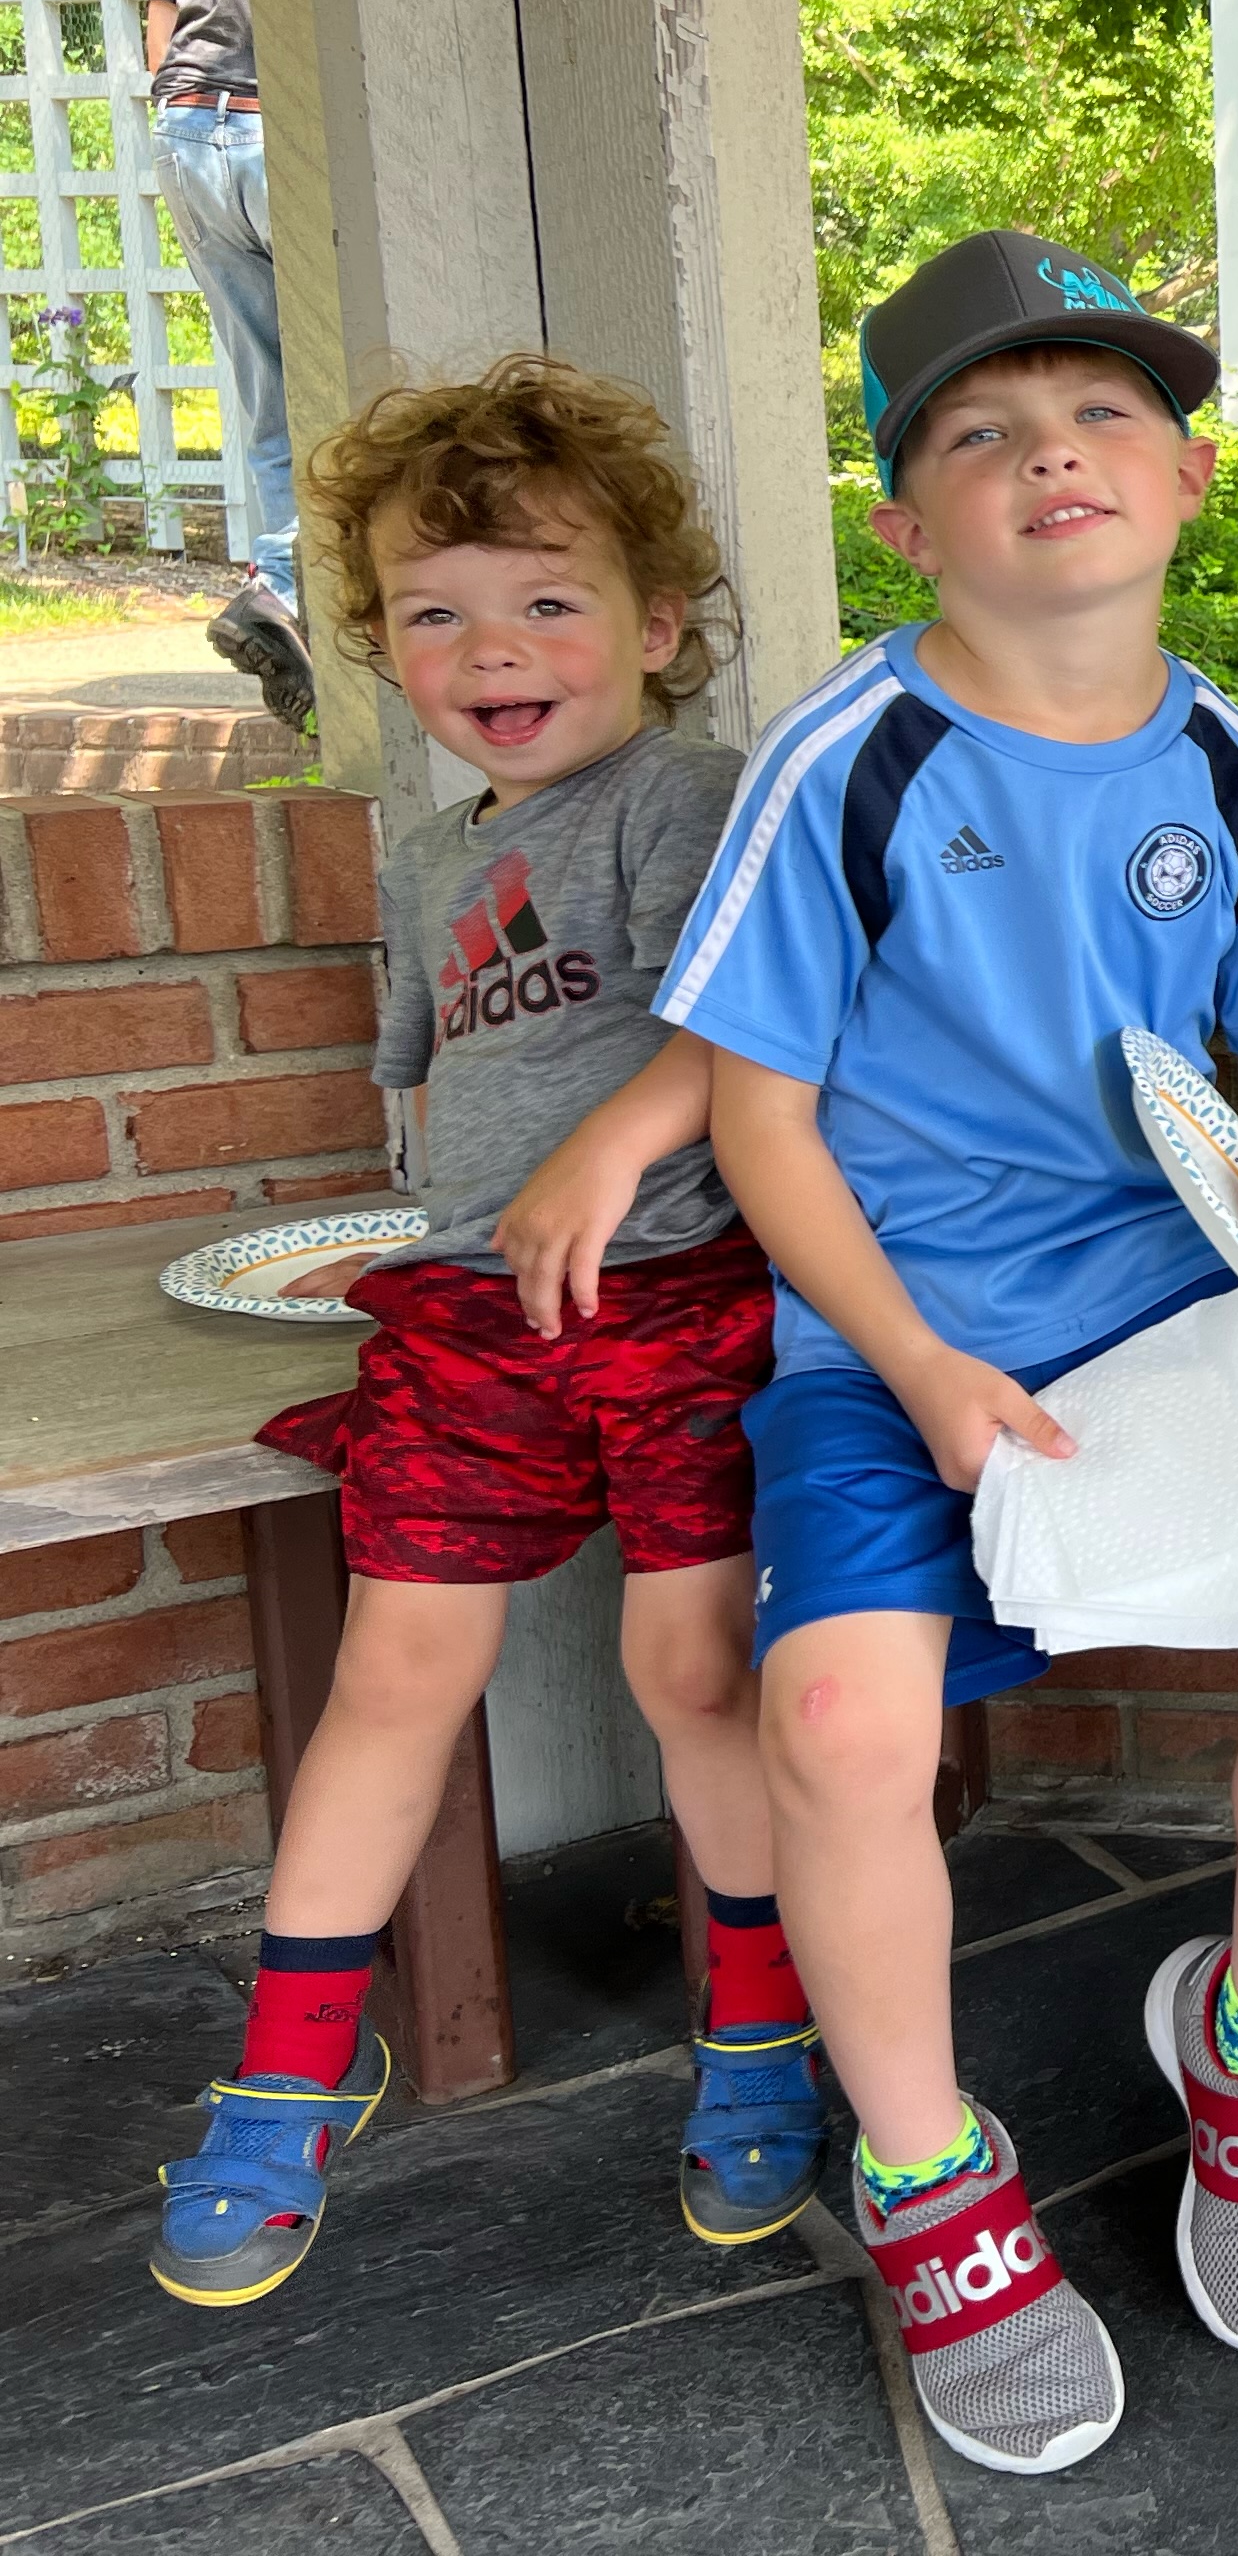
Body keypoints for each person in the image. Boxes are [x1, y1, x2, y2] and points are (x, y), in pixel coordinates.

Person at [659, 232, 1238, 2476]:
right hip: (894, 1336)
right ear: (911, 525)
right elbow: (758, 1114)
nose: (1049, 455)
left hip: (1170, 1311)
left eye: (1100, 414)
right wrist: (907, 1363)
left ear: (1189, 477)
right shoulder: (848, 759)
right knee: (836, 1713)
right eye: (980, 432)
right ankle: (924, 2169)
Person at [152, 358, 810, 2303]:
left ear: (657, 625)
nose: (490, 647)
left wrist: (613, 1144)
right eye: (433, 612)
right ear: (384, 647)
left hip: (683, 1300)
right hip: (478, 1322)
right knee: (396, 1665)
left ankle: (762, 2024)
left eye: (543, 598)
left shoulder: (688, 799)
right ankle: (293, 2064)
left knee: (693, 1667)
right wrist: (421, 1229)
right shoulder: (433, 857)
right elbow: (440, 1096)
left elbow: (754, 1022)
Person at [137, 0, 309, 725]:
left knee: (267, 386)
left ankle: (286, 592)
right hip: (271, 124)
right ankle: (291, 589)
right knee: (336, 371)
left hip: (186, 130)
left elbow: (160, 28)